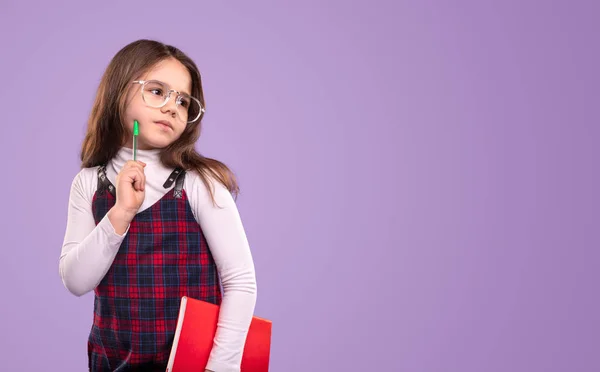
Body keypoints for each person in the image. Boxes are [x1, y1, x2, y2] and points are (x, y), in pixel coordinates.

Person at [58, 39, 257, 372]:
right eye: (156, 91)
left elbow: (241, 282)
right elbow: (76, 281)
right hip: (111, 362)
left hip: (190, 364)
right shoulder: (89, 183)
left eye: (183, 101)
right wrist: (120, 212)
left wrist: (219, 367)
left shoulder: (198, 182)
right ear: (119, 90)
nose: (172, 107)